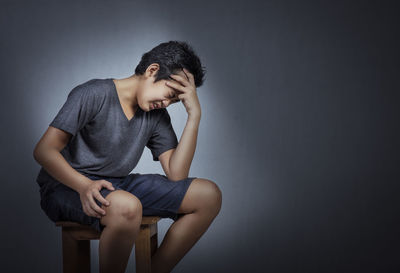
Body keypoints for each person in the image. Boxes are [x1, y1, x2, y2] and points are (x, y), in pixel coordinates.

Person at [33, 40, 222, 273]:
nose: (167, 103)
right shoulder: (93, 93)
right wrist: (84, 186)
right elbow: (43, 150)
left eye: (175, 101)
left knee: (208, 195)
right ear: (152, 71)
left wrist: (194, 115)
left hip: (116, 184)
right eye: (170, 94)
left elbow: (177, 174)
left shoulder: (157, 115)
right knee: (126, 206)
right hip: (67, 185)